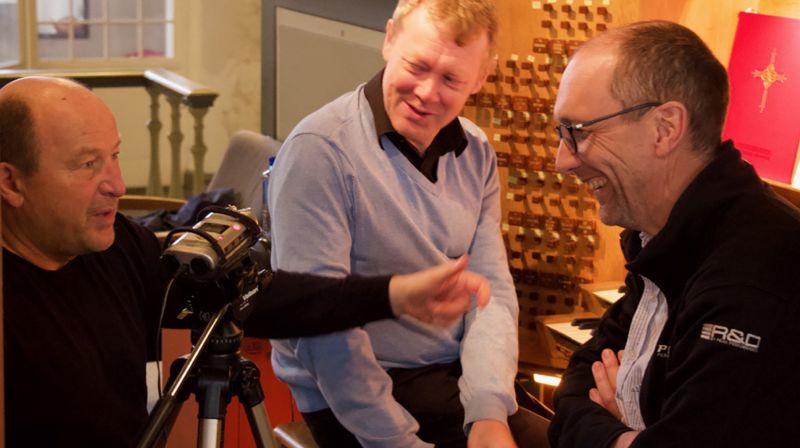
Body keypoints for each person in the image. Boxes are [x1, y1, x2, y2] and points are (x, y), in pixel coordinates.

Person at [0, 75, 492, 447]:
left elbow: (258, 297)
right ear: (11, 183)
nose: (117, 185)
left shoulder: (117, 247)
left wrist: (393, 294)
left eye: (114, 156)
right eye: (88, 165)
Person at [268, 1, 549, 447]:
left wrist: (488, 412)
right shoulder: (319, 152)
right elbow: (319, 328)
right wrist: (399, 442)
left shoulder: (476, 151)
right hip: (351, 390)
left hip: (447, 378)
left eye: (451, 79)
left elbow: (490, 289)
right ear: (389, 40)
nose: (426, 92)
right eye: (417, 66)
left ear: (481, 78)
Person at [548, 21, 800, 447]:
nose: (562, 161)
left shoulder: (759, 272)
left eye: (578, 132)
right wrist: (623, 438)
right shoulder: (662, 239)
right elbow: (574, 387)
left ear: (665, 128)